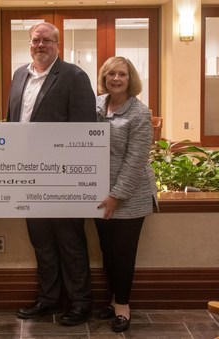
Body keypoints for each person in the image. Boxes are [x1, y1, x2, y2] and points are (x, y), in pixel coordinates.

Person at [6, 22, 96, 326]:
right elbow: (12, 123)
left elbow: (84, 130)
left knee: (69, 241)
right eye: (35, 40)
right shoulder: (19, 75)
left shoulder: (74, 76)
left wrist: (72, 175)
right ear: (29, 44)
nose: (40, 45)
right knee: (41, 240)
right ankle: (49, 298)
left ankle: (80, 302)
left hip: (63, 177)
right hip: (28, 176)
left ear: (58, 44)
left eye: (46, 41)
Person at [94, 56, 157, 332]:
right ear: (104, 78)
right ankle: (112, 298)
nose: (116, 79)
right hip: (98, 193)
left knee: (123, 253)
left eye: (121, 74)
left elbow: (135, 160)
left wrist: (116, 196)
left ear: (131, 78)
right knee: (107, 252)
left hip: (130, 195)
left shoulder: (140, 113)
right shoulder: (96, 105)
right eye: (110, 74)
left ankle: (123, 305)